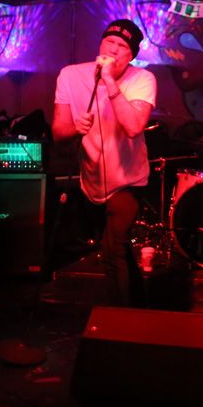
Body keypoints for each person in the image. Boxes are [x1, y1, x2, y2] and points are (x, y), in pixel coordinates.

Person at [52, 19, 157, 306]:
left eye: (122, 46)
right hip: (92, 181)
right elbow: (59, 133)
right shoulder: (70, 75)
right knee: (117, 248)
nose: (113, 49)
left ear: (131, 55)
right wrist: (75, 127)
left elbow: (133, 127)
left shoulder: (143, 79)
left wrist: (110, 81)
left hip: (129, 180)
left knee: (112, 251)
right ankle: (139, 304)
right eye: (109, 42)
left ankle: (119, 320)